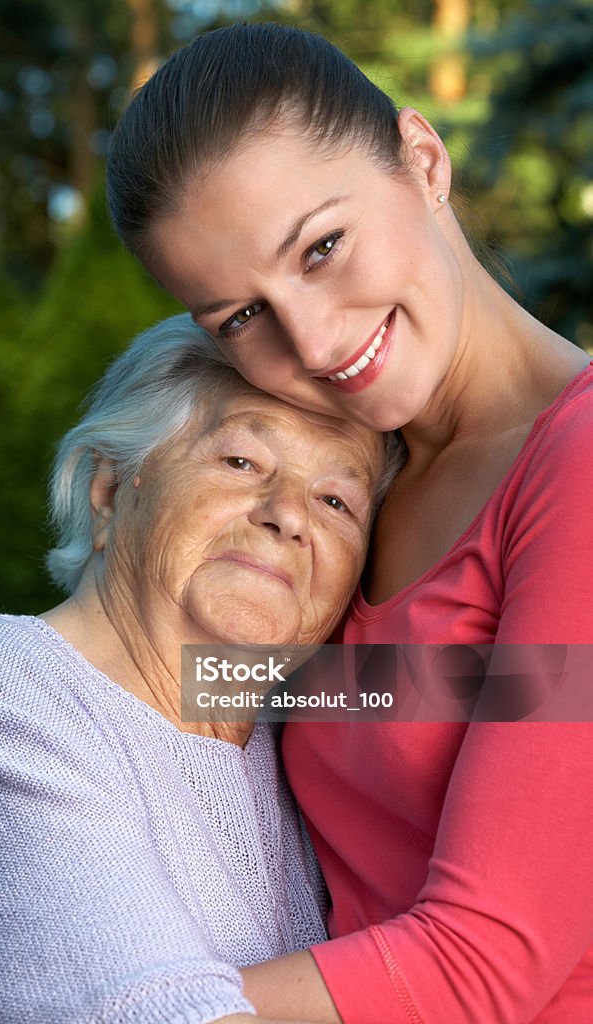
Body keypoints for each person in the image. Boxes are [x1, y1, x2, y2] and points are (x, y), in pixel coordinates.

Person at [104, 22, 593, 1024]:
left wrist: (71, 1003)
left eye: (322, 247)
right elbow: (220, 692)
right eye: (240, 317)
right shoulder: (350, 489)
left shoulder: (574, 465)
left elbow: (482, 961)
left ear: (421, 160)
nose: (315, 340)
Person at [0, 314, 388, 1024]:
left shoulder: (299, 720)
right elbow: (153, 1010)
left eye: (335, 501)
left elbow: (546, 684)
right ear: (109, 486)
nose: (288, 515)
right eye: (241, 461)